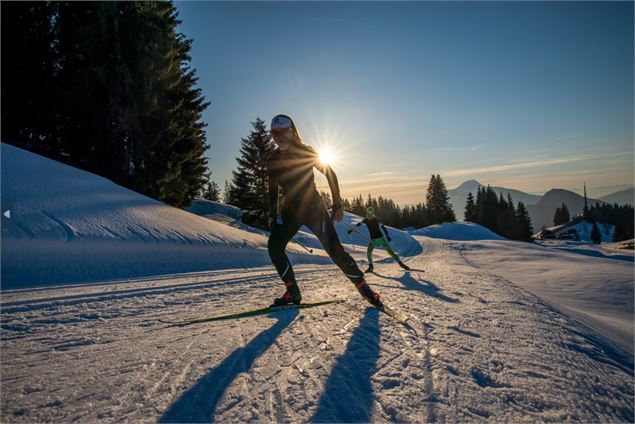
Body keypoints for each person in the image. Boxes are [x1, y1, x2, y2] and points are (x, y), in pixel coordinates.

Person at [266, 114, 382, 308]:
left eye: (282, 131)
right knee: (274, 247)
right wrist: (271, 213)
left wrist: (337, 204)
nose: (278, 136)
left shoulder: (305, 152)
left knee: (335, 251)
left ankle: (365, 290)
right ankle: (292, 292)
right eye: (273, 133)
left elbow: (330, 172)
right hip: (290, 212)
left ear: (292, 132)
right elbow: (271, 189)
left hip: (314, 209)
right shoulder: (273, 159)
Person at [348, 207, 410, 273]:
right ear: (367, 214)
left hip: (380, 238)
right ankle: (371, 267)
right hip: (373, 240)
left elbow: (383, 227)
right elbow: (359, 224)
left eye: (370, 215)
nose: (369, 216)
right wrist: (352, 230)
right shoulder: (365, 220)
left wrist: (387, 236)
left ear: (372, 214)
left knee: (389, 251)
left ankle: (401, 264)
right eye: (368, 215)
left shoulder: (376, 220)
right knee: (369, 252)